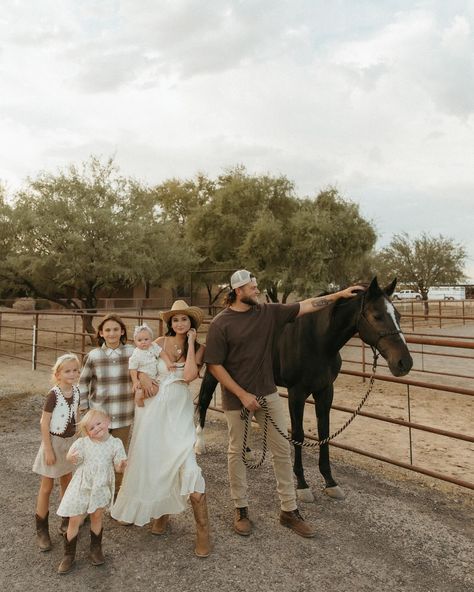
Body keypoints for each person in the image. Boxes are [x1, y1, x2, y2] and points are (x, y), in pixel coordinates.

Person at [204, 269, 364, 538]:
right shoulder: (221, 323)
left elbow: (307, 305)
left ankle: (289, 510)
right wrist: (242, 394)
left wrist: (340, 295)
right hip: (237, 398)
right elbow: (214, 365)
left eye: (256, 286)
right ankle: (241, 508)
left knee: (282, 450)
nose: (257, 290)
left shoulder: (267, 313)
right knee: (237, 453)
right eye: (252, 287)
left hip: (267, 394)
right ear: (238, 291)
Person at [111, 300, 210, 558]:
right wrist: (141, 379)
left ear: (192, 324)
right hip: (152, 410)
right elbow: (139, 364)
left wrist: (190, 344)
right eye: (175, 320)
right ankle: (159, 514)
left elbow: (188, 376)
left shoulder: (199, 349)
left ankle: (203, 532)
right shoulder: (158, 343)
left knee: (187, 464)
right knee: (153, 459)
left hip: (178, 410)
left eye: (184, 320)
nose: (179, 323)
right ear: (170, 322)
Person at [56, 408, 127, 574]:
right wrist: (70, 458)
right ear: (87, 433)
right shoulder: (83, 443)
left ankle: (96, 549)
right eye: (91, 428)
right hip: (82, 485)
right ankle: (68, 554)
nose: (96, 428)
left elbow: (118, 465)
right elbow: (72, 457)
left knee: (96, 516)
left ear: (108, 421)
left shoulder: (115, 443)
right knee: (74, 518)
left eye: (98, 423)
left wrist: (121, 465)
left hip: (100, 486)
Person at [78, 314, 134, 495]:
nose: (112, 333)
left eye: (116, 329)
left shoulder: (132, 353)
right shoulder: (94, 356)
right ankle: (90, 497)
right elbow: (82, 383)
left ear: (122, 331)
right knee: (95, 457)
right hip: (99, 416)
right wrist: (85, 410)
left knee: (119, 458)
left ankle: (116, 499)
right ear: (101, 333)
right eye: (107, 330)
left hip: (124, 415)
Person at [32, 353, 81, 551]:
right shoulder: (54, 394)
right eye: (67, 371)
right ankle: (42, 529)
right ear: (58, 374)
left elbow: (76, 416)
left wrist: (79, 440)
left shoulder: (77, 391)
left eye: (75, 370)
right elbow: (44, 423)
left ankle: (66, 518)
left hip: (69, 443)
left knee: (67, 482)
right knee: (46, 486)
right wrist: (48, 449)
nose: (72, 374)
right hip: (53, 442)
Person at [129, 323, 174, 407]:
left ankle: (141, 395)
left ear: (151, 339)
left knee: (156, 389)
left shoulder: (153, 346)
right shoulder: (136, 353)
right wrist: (135, 381)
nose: (143, 342)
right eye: (139, 340)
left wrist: (168, 362)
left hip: (153, 377)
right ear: (135, 342)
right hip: (142, 376)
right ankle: (139, 397)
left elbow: (162, 353)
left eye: (146, 339)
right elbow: (133, 368)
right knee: (152, 389)